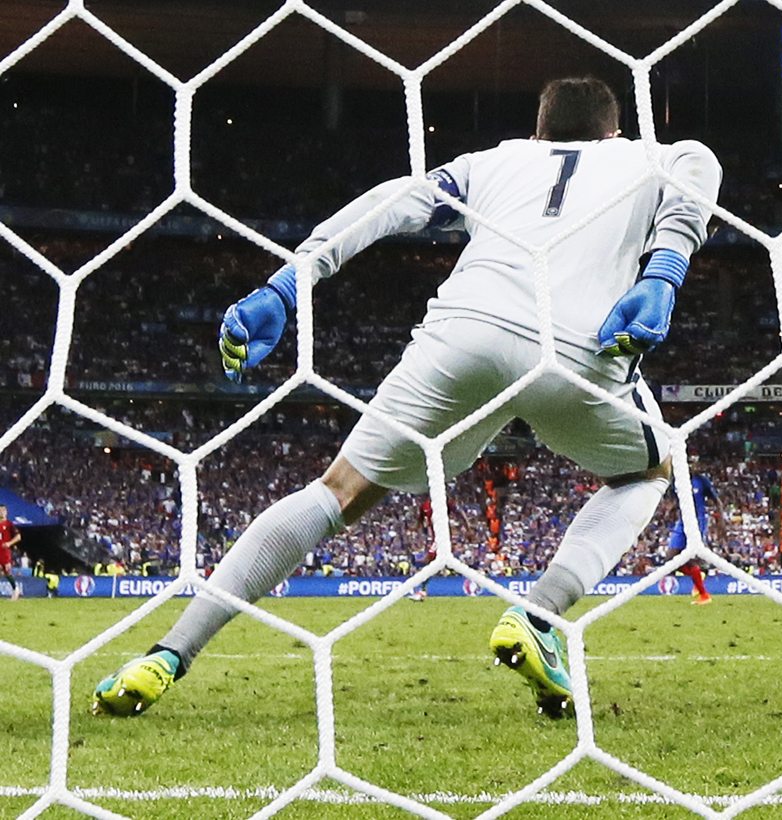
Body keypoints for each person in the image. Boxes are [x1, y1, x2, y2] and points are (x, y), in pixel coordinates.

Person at [91, 77, 722, 720]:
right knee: (652, 470)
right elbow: (700, 166)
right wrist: (663, 274)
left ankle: (168, 653)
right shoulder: (653, 156)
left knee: (334, 493)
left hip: (463, 337)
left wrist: (288, 284)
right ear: (615, 132)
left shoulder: (493, 161)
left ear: (538, 132)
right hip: (579, 348)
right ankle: (539, 614)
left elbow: (391, 204)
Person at [665, 461, 724, 605]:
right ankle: (698, 574)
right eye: (689, 463)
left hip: (697, 521)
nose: (693, 466)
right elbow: (676, 500)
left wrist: (721, 520)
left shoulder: (701, 481)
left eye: (694, 463)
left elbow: (717, 501)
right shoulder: (677, 481)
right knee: (670, 558)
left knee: (691, 558)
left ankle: (704, 595)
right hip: (682, 521)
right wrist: (670, 510)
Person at [0, 505, 21, 601]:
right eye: (0, 510)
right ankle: (15, 589)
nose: (1, 512)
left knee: (7, 572)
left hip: (4, 552)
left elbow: (18, 537)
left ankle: (15, 589)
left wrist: (9, 543)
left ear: (6, 512)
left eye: (3, 510)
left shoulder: (9, 524)